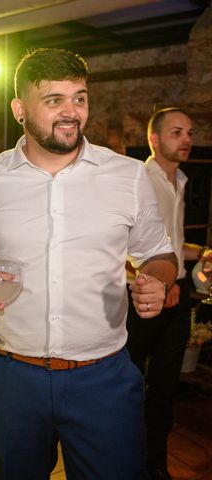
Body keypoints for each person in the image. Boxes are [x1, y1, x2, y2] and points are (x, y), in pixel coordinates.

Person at [0, 48, 178, 480]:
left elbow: (159, 254)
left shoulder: (127, 176)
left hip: (102, 378)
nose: (71, 113)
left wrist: (157, 280)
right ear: (20, 109)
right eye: (54, 101)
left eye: (79, 98)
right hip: (8, 377)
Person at [126, 107, 211, 480]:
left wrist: (202, 252)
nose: (187, 139)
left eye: (189, 132)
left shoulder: (178, 181)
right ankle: (120, 461)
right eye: (177, 132)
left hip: (174, 296)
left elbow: (170, 245)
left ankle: (155, 465)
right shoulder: (139, 180)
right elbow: (126, 246)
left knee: (163, 388)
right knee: (127, 385)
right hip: (142, 298)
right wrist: (160, 284)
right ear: (154, 139)